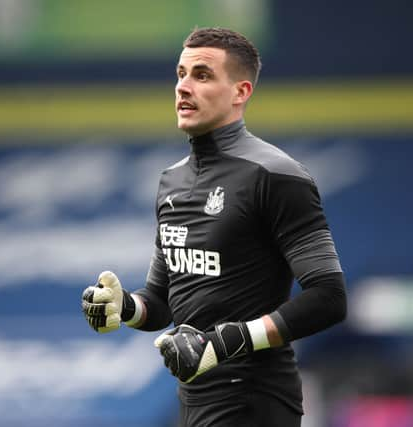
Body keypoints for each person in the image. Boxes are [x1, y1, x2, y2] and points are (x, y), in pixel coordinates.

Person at [81, 27, 347, 427]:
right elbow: (163, 302)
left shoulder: (276, 175)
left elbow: (329, 297)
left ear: (241, 92)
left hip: (254, 398)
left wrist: (229, 341)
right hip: (195, 400)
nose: (183, 87)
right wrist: (125, 308)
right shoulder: (171, 180)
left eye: (201, 75)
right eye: (180, 74)